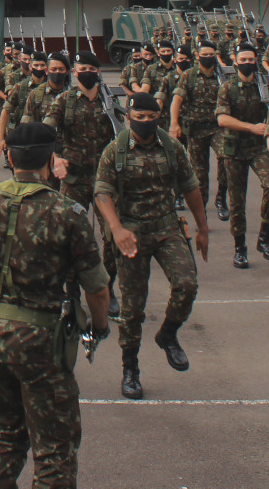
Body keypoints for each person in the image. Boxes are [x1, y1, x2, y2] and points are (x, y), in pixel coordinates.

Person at [0, 123, 111, 489]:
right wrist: (99, 328)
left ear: (9, 157)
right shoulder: (67, 213)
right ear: (51, 159)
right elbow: (97, 287)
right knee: (54, 447)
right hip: (42, 339)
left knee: (6, 433)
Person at [95, 94, 207, 399]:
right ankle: (130, 369)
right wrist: (116, 229)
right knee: (132, 309)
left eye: (151, 117)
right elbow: (102, 192)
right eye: (139, 116)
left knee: (187, 284)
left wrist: (203, 228)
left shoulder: (171, 147)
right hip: (131, 232)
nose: (145, 122)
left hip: (167, 228)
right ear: (128, 116)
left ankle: (168, 334)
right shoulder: (115, 151)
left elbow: (190, 186)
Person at [43, 51, 121, 318]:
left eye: (91, 67)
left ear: (98, 72)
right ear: (74, 73)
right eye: (81, 68)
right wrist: (56, 158)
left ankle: (108, 288)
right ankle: (71, 294)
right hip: (73, 180)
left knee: (111, 236)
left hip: (106, 181)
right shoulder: (64, 101)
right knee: (71, 237)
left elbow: (125, 136)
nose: (86, 72)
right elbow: (48, 131)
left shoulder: (110, 102)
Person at [214, 43, 269, 267]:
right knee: (237, 203)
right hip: (234, 150)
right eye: (243, 60)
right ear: (235, 61)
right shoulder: (228, 88)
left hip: (258, 149)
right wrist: (251, 127)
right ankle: (240, 248)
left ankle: (264, 235)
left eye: (251, 59)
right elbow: (222, 120)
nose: (247, 63)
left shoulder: (264, 86)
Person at [172, 40, 225, 213]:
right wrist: (174, 123)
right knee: (199, 175)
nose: (208, 58)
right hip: (196, 130)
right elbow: (177, 100)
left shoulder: (222, 75)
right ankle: (202, 216)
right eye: (205, 55)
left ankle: (221, 196)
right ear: (197, 56)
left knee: (226, 158)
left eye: (212, 55)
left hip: (218, 128)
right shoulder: (189, 75)